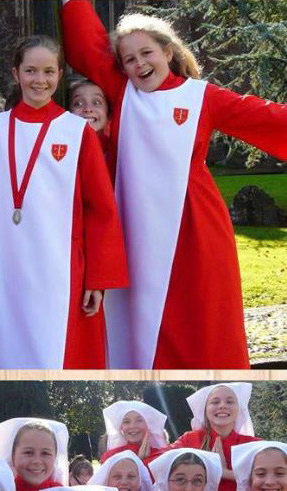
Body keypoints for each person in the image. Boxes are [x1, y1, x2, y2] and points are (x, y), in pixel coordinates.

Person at [61, 1, 287, 369]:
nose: (139, 64)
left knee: (202, 316)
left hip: (197, 228)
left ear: (168, 51)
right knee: (141, 319)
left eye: (147, 53)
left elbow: (265, 117)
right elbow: (87, 43)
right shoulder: (123, 89)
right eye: (129, 59)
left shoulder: (202, 96)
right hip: (135, 230)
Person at [0, 35, 127, 369]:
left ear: (60, 74)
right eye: (31, 71)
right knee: (12, 356)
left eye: (49, 71)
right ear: (16, 73)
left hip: (62, 267)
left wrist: (98, 278)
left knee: (59, 355)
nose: (40, 80)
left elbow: (102, 209)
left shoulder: (76, 131)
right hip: (7, 268)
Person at [171, 384, 261, 491]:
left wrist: (225, 473)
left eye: (230, 401)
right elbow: (161, 464)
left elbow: (270, 478)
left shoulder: (254, 445)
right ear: (205, 409)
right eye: (215, 402)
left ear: (239, 408)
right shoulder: (189, 440)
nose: (222, 405)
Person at [100, 400, 168, 467]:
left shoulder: (163, 455)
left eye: (139, 420)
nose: (133, 426)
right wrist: (140, 460)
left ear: (149, 424)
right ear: (121, 427)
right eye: (126, 422)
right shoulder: (112, 457)